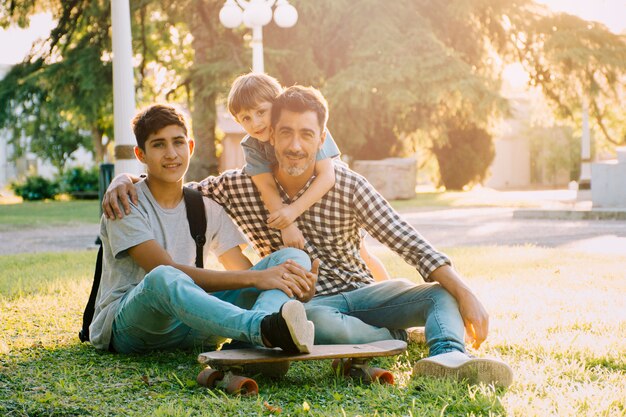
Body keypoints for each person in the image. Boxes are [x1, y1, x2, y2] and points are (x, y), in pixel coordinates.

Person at [103, 89, 513, 387]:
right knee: (304, 297)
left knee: (438, 294)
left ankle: (448, 356)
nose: (295, 145)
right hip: (312, 309)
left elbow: (408, 240)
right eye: (285, 134)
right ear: (269, 137)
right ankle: (293, 333)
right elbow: (172, 182)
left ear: (322, 138)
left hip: (363, 294)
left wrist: (465, 292)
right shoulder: (237, 187)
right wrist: (123, 179)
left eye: (306, 134)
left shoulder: (348, 184)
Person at [91, 103, 317, 355]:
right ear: (140, 154)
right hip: (136, 326)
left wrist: (291, 286)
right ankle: (263, 330)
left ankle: (251, 343)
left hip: (193, 325)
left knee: (293, 259)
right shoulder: (124, 203)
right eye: (158, 144)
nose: (171, 154)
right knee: (162, 276)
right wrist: (257, 277)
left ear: (190, 147)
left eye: (178, 143)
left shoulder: (206, 206)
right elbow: (163, 270)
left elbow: (240, 270)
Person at [226, 72, 390, 280]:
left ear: (276, 108)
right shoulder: (252, 145)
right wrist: (287, 225)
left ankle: (386, 288)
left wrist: (292, 212)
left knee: (361, 252)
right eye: (245, 118)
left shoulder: (306, 126)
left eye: (261, 112)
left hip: (331, 197)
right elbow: (266, 185)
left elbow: (327, 177)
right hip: (294, 199)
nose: (255, 123)